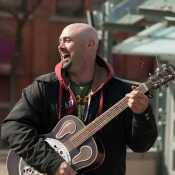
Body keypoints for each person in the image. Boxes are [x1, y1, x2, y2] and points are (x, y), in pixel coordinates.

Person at [1, 23, 157, 175]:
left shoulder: (121, 92)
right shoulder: (44, 87)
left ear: (90, 45)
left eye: (67, 40)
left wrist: (142, 114)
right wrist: (52, 163)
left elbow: (141, 145)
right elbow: (12, 128)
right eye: (60, 41)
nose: (60, 46)